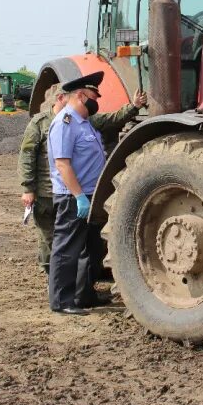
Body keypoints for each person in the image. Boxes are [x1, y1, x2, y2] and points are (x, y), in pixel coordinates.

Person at [18, 82, 146, 274]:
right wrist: (28, 188)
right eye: (65, 98)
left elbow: (110, 120)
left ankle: (73, 281)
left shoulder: (80, 120)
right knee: (50, 239)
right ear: (60, 99)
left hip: (70, 189)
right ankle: (51, 276)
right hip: (46, 192)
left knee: (73, 242)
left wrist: (133, 107)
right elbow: (27, 155)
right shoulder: (40, 123)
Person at [47, 71, 109, 315]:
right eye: (95, 96)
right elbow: (62, 164)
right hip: (74, 197)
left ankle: (83, 296)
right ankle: (62, 301)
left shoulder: (85, 124)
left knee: (91, 249)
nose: (97, 101)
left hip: (91, 196)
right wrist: (78, 196)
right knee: (67, 249)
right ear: (82, 96)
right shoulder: (65, 123)